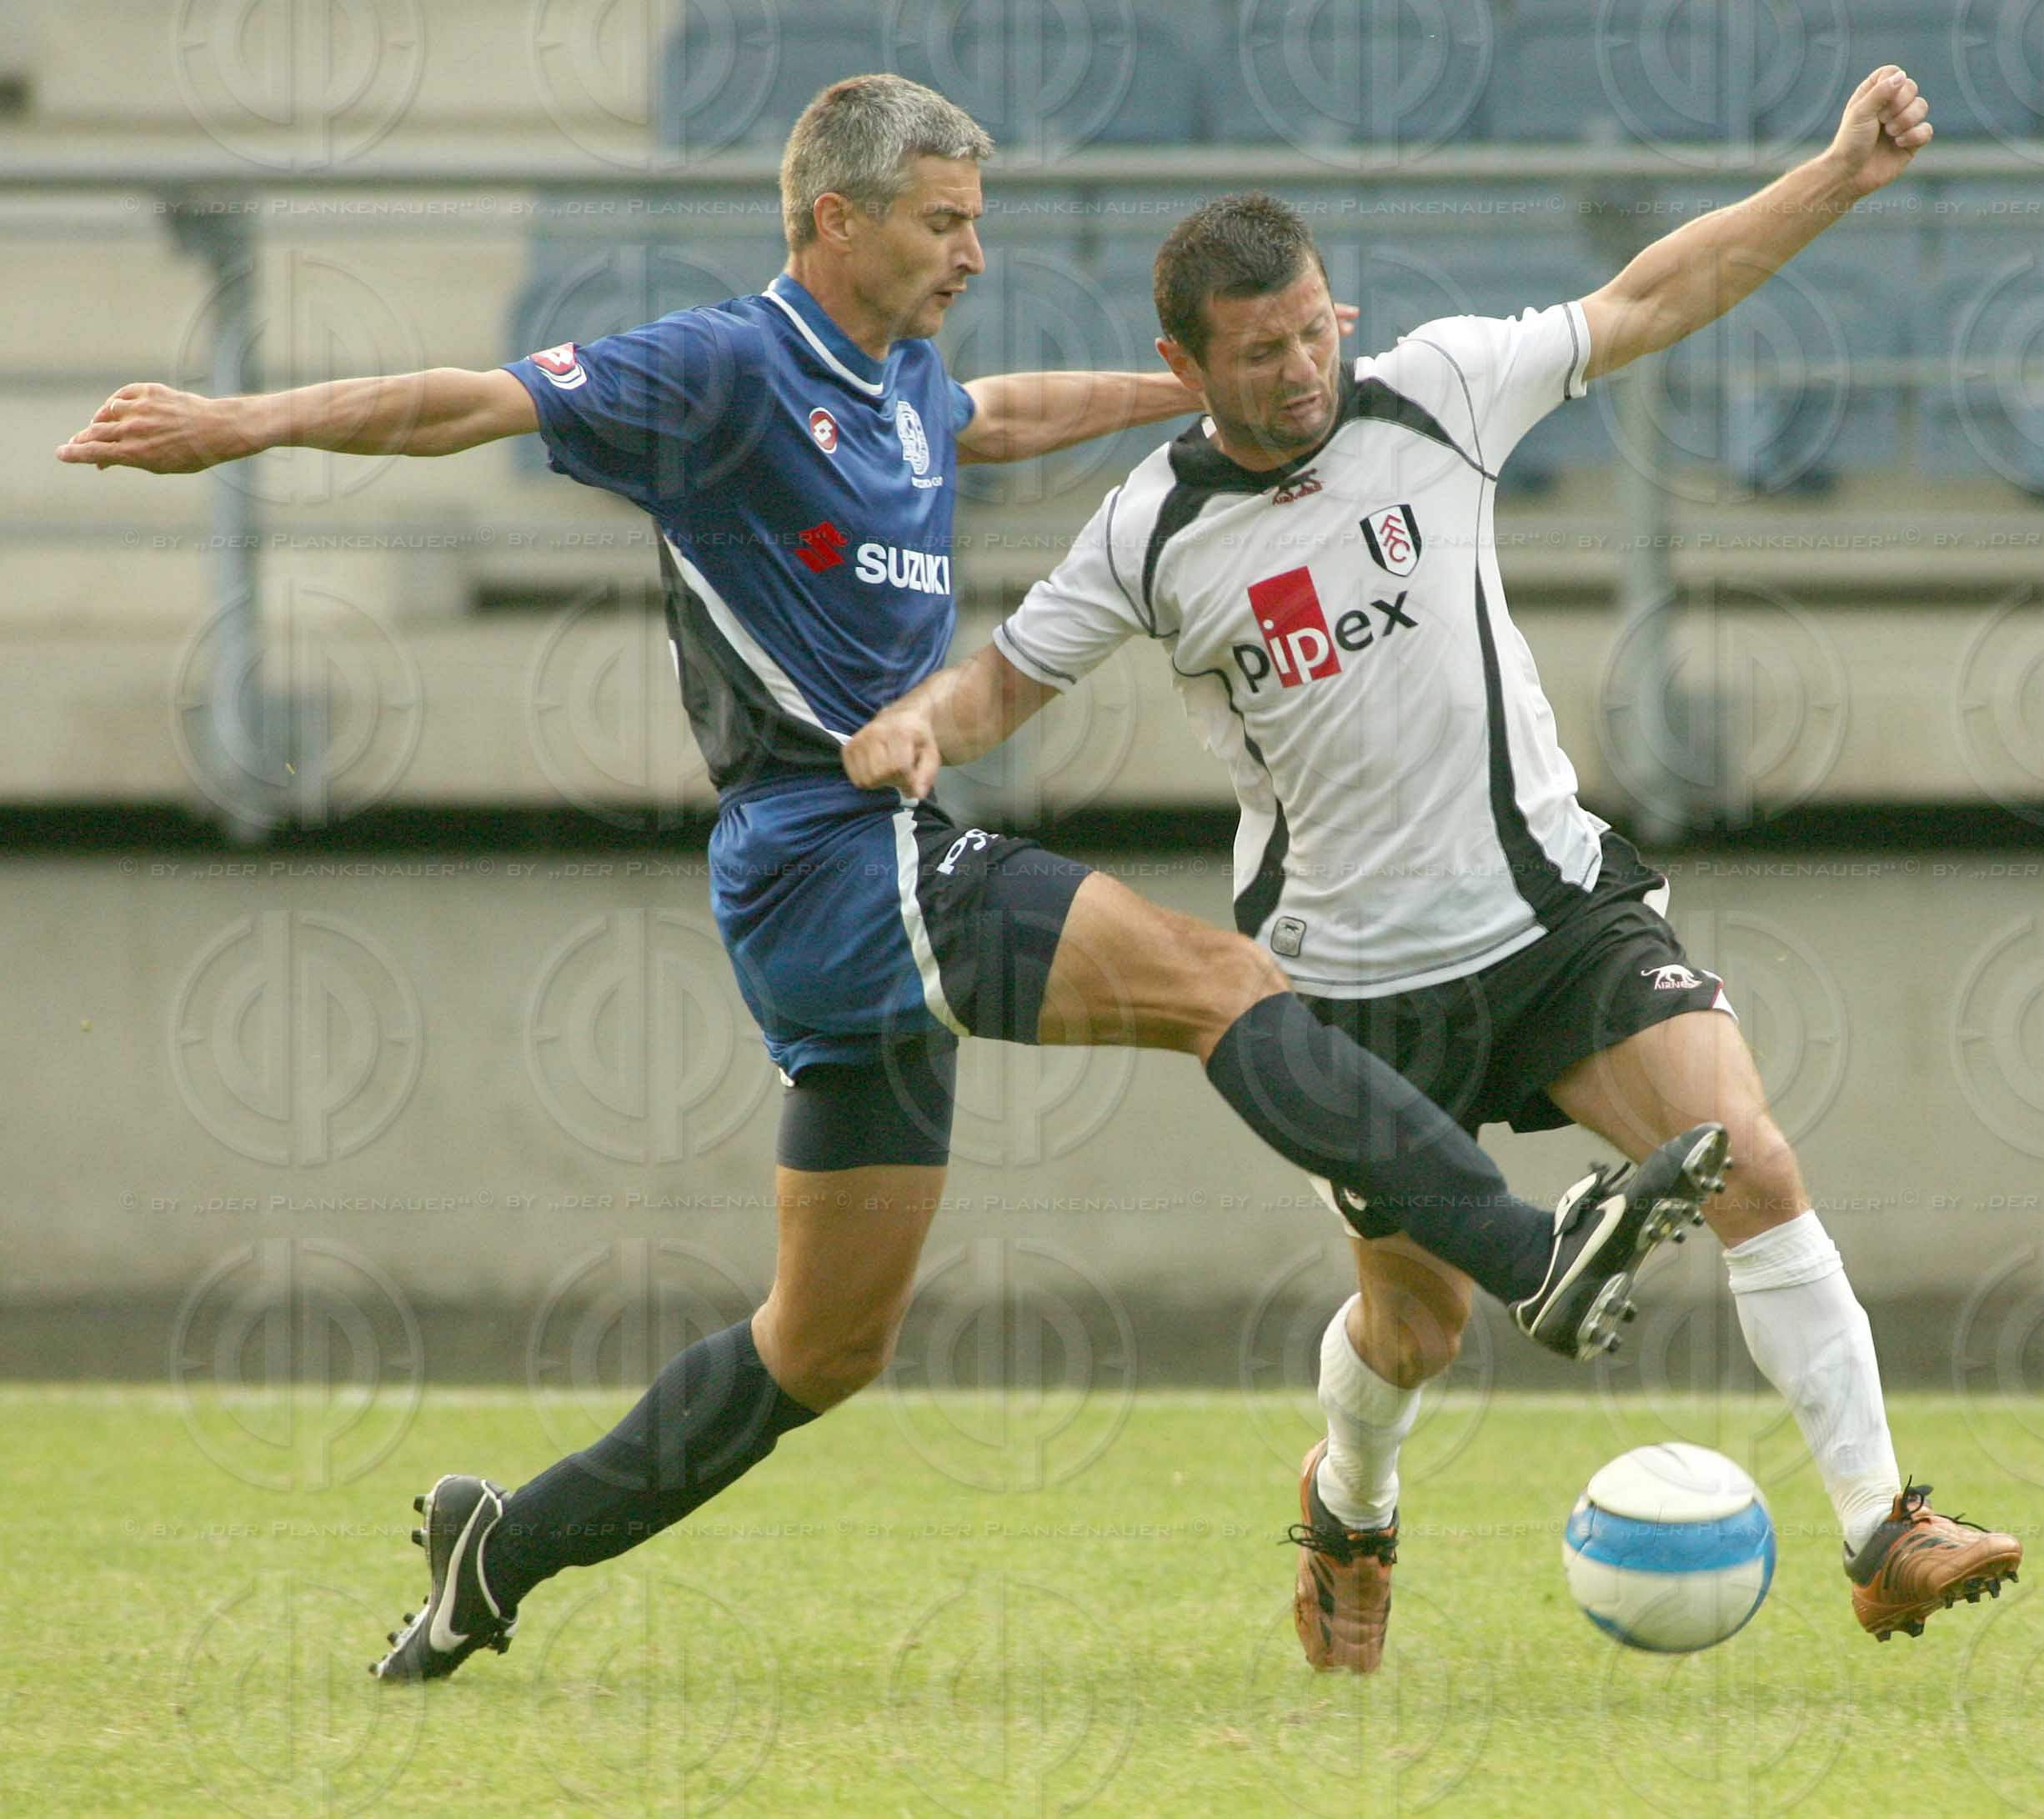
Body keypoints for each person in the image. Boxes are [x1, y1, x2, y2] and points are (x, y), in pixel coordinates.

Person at [60, 73, 1731, 1684]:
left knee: (825, 1344)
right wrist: (235, 423)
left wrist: (1191, 394)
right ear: (834, 217)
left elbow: (1003, 415)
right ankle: (1531, 1253)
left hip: (850, 886)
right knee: (1227, 982)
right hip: (829, 853)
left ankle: (497, 1551)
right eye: (944, 219)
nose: (974, 250)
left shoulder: (900, 384)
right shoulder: (719, 367)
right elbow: (470, 399)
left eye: (977, 218)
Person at [844, 67, 2021, 1671]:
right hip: (1348, 987)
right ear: (1185, 364)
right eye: (1258, 350)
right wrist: (923, 725)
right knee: (1419, 1327)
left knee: (1748, 1157)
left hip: (1555, 918)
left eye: (1315, 327)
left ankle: (1884, 1531)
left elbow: (1651, 290)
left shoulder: (1441, 389)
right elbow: (1007, 680)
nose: (1301, 367)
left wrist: (1834, 177)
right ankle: (1350, 1504)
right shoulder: (1147, 531)